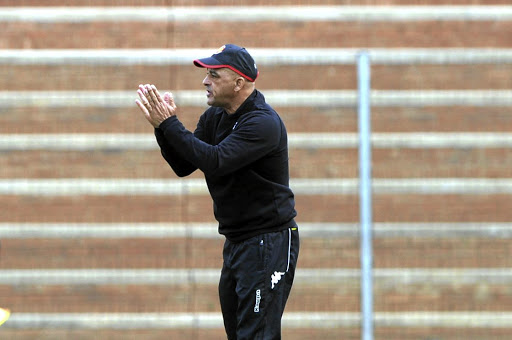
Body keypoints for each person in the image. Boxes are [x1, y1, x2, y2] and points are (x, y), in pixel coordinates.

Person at [135, 44, 299, 340]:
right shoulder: (215, 118)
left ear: (239, 83)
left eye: (214, 74)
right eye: (206, 73)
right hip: (237, 242)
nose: (205, 81)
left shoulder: (262, 122)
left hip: (268, 241)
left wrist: (171, 124)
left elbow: (217, 161)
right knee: (239, 334)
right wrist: (162, 128)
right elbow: (185, 164)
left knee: (257, 335)